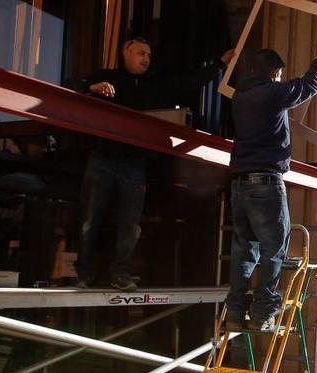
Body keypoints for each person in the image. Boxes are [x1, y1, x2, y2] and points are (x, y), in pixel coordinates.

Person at [74, 37, 235, 291]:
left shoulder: (152, 85)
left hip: (134, 162)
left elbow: (188, 83)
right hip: (102, 158)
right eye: (140, 53)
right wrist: (92, 88)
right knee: (90, 219)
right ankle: (84, 274)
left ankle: (121, 275)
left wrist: (218, 64)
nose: (146, 59)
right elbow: (71, 86)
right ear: (125, 53)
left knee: (130, 223)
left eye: (148, 55)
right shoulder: (105, 77)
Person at [224, 43, 317, 332]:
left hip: (239, 184)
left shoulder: (240, 96)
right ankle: (263, 314)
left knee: (244, 250)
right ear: (275, 73)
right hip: (266, 183)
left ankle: (235, 313)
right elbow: (308, 86)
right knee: (274, 249)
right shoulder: (272, 94)